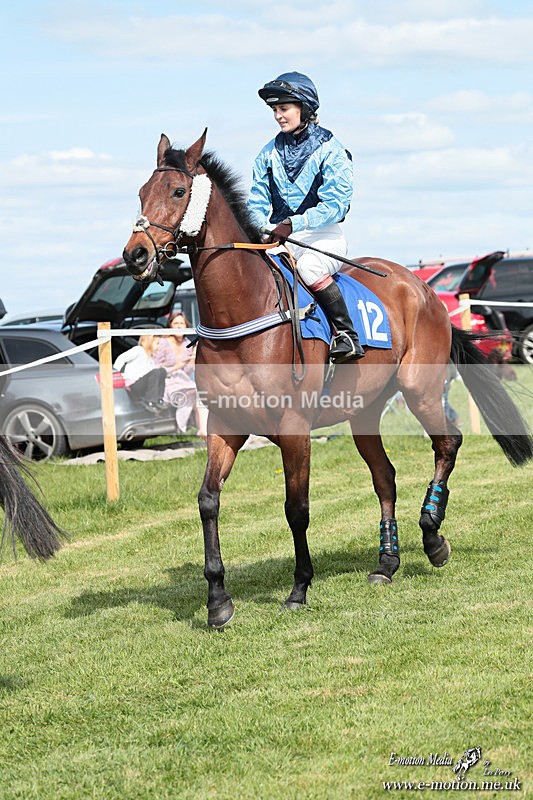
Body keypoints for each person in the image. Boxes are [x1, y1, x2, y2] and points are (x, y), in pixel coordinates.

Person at [248, 70, 365, 363]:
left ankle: (346, 335)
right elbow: (256, 202)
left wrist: (292, 224)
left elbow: (337, 205)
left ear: (305, 108)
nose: (278, 115)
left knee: (311, 268)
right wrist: (260, 227)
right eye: (274, 110)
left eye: (284, 108)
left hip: (322, 237)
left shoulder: (332, 149)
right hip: (279, 238)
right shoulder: (267, 154)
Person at [153, 311, 209, 437]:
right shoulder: (163, 342)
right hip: (167, 382)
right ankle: (193, 428)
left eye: (182, 323)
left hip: (183, 380)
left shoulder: (187, 343)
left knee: (200, 395)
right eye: (176, 323)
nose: (179, 326)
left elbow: (187, 371)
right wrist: (175, 367)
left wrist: (193, 358)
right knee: (194, 392)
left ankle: (203, 430)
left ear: (186, 326)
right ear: (170, 326)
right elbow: (156, 368)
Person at [113, 335, 167, 413]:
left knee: (162, 371)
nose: (159, 346)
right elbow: (122, 358)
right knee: (156, 372)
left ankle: (159, 398)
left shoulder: (151, 359)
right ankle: (149, 401)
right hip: (134, 384)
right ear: (147, 342)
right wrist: (115, 372)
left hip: (143, 385)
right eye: (157, 343)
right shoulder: (138, 350)